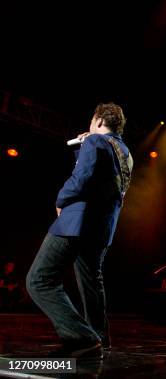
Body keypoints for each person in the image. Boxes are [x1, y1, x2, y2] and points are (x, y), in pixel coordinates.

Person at [27, 103, 133, 358]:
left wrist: (60, 199)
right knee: (90, 281)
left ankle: (82, 337)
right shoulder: (125, 152)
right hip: (102, 226)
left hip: (77, 222)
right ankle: (98, 340)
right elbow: (101, 179)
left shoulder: (95, 142)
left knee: (39, 280)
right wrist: (83, 146)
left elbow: (83, 177)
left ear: (97, 120)